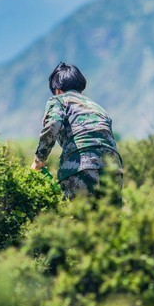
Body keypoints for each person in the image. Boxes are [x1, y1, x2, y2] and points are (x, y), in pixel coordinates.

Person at [31, 62, 123, 201]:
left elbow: (53, 124)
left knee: (77, 214)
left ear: (57, 90)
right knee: (109, 214)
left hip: (81, 166)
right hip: (113, 167)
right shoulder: (98, 107)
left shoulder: (59, 100)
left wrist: (39, 160)